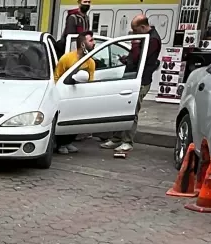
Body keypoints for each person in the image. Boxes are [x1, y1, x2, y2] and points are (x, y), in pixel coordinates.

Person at [101, 14, 161, 154]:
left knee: (131, 111)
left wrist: (134, 44)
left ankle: (127, 141)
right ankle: (116, 138)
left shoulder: (152, 40)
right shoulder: (146, 37)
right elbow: (134, 59)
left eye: (135, 30)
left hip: (140, 81)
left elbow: (139, 59)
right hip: (132, 78)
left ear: (142, 27)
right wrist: (126, 59)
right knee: (120, 109)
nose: (134, 33)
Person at [53, 31, 96, 154]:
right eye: (91, 40)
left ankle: (68, 142)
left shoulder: (90, 62)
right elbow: (57, 76)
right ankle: (60, 144)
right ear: (83, 44)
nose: (94, 43)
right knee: (65, 119)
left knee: (76, 119)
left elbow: (90, 80)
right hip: (66, 93)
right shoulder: (67, 58)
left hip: (80, 95)